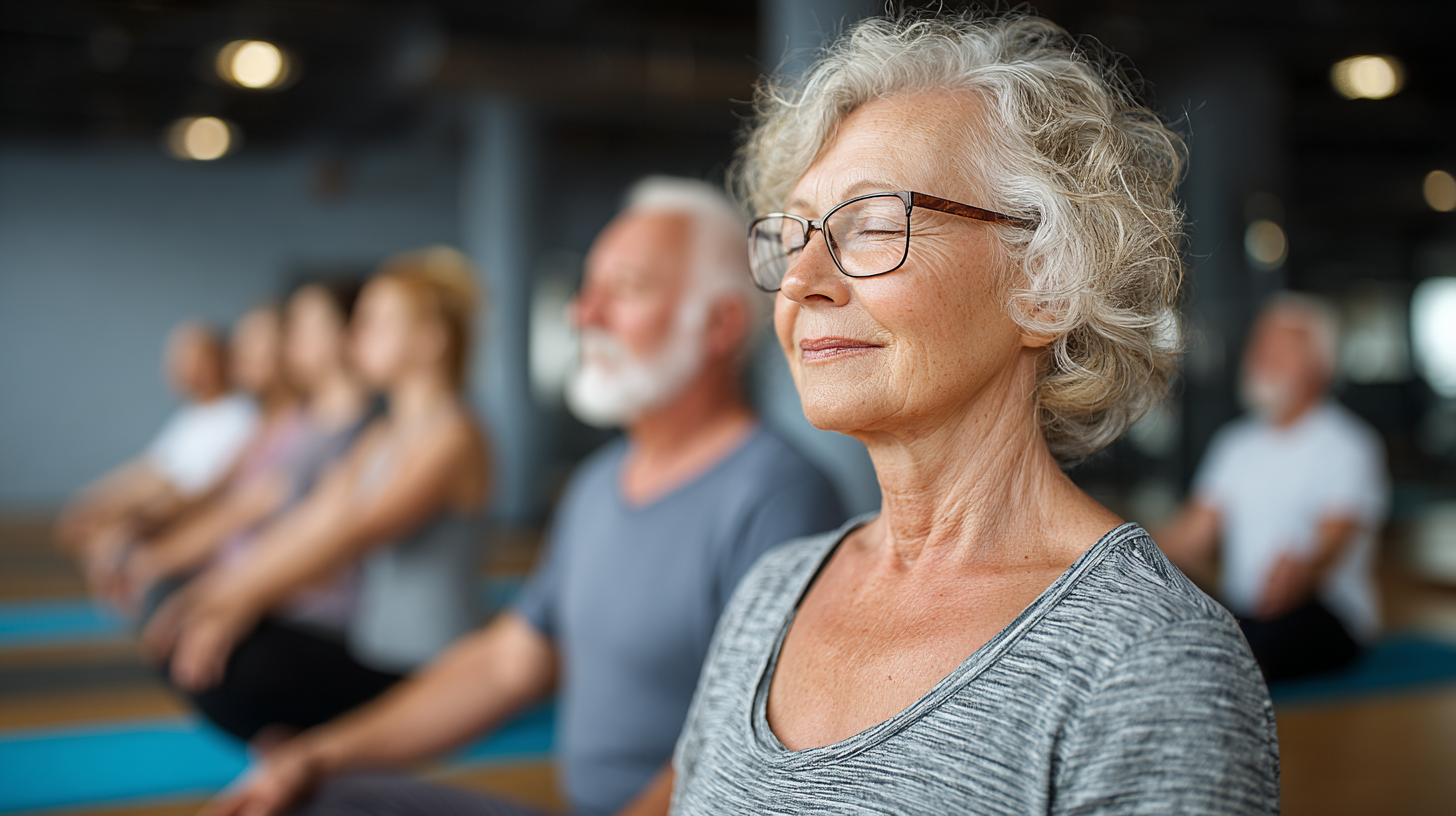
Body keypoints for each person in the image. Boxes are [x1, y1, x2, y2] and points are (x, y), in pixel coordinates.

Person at [667, 11, 1279, 815]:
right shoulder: (772, 595)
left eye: (875, 226)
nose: (800, 280)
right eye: (795, 235)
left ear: (1048, 284)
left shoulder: (1147, 660)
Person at [203, 177, 845, 816]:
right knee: (311, 798)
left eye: (624, 290)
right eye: (587, 290)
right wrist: (319, 754)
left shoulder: (778, 496)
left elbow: (746, 748)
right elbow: (509, 662)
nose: (583, 315)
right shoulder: (595, 486)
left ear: (720, 324)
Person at [146, 248, 492, 743]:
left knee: (243, 666)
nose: (356, 337)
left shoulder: (455, 436)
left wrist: (240, 598)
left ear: (430, 340)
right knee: (195, 635)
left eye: (375, 323)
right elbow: (314, 521)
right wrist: (211, 595)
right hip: (370, 647)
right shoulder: (384, 436)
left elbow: (355, 532)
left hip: (425, 669)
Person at [1159, 294, 1389, 681]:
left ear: (1322, 366)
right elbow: (1190, 536)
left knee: (1246, 646)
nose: (1264, 359)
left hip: (1323, 613)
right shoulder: (1235, 444)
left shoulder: (1348, 445)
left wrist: (1302, 571)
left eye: (1282, 351)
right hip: (1245, 613)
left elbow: (1332, 545)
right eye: (1260, 346)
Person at [124, 280, 373, 627]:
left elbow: (313, 535)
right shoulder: (300, 422)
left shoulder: (360, 430)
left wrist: (230, 596)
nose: (293, 339)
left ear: (349, 334)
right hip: (260, 579)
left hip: (308, 602)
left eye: (306, 326)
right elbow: (236, 500)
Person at [78, 309, 291, 609]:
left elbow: (218, 502)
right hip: (230, 564)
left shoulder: (245, 418)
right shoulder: (261, 422)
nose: (242, 353)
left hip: (248, 571)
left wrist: (151, 551)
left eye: (255, 342)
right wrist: (114, 513)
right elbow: (161, 472)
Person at [56, 320, 257, 562]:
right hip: (162, 521)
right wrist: (91, 500)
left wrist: (122, 518)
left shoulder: (238, 417)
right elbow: (152, 467)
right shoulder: (193, 416)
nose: (177, 366)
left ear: (220, 361)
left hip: (194, 535)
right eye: (174, 357)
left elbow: (190, 491)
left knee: (113, 545)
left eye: (191, 357)